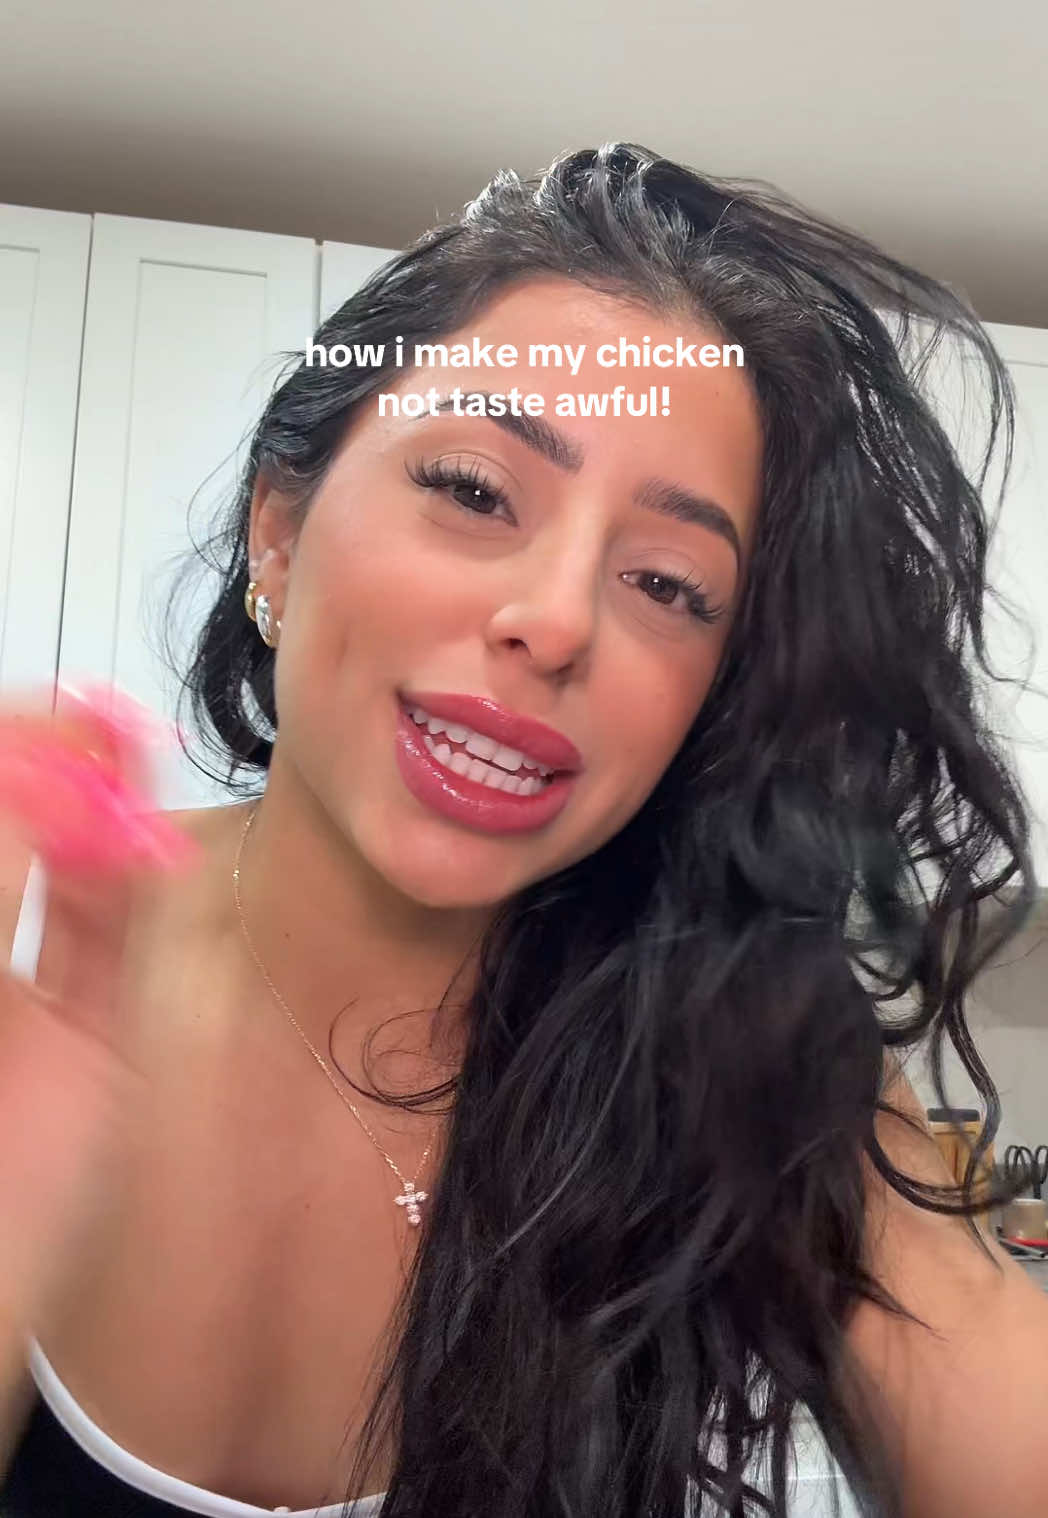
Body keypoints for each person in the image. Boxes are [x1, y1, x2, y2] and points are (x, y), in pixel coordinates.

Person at [0, 140, 1046, 1518]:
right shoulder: (26, 951)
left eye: (668, 584)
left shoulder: (740, 1062)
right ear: (279, 531)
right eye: (475, 490)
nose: (555, 622)